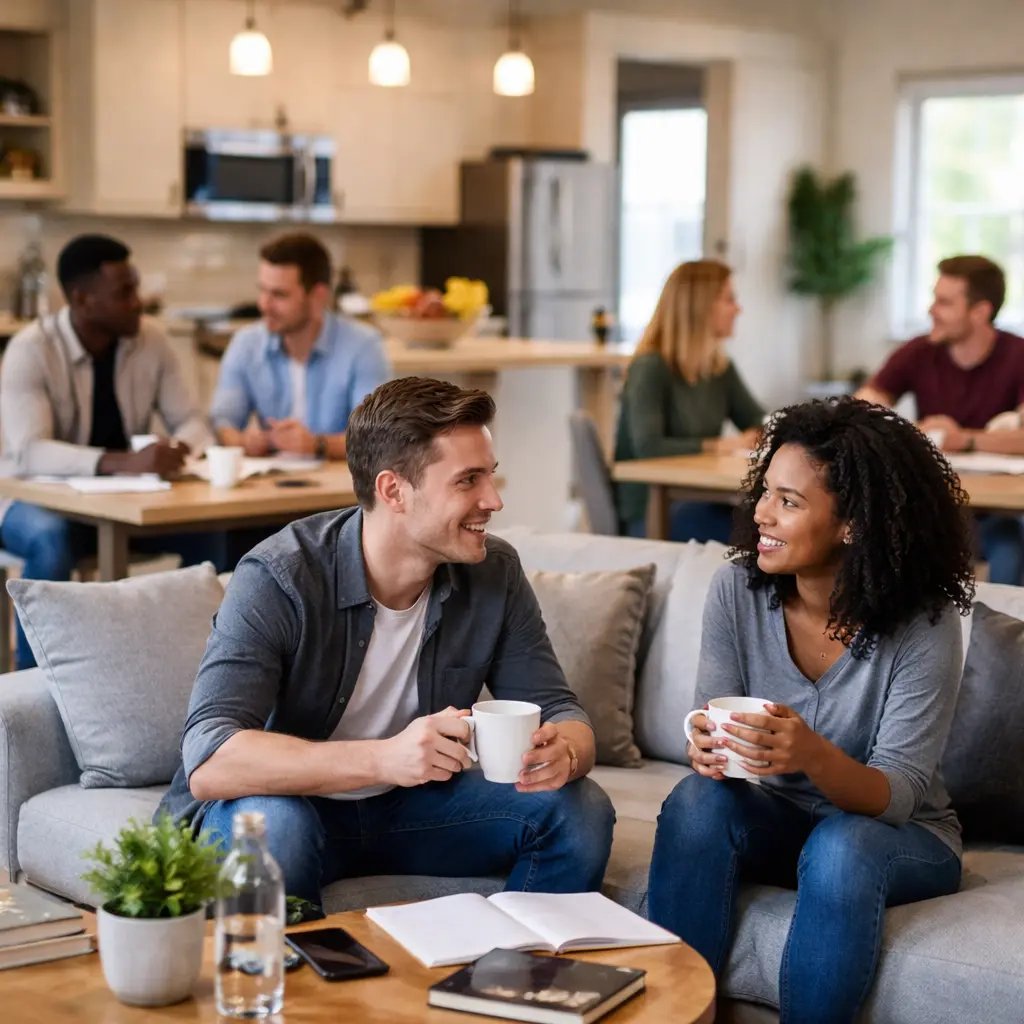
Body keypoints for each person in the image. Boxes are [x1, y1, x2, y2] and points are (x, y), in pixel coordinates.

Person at [158, 376, 615, 909]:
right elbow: (211, 759)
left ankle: (509, 979)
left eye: (489, 476)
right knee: (275, 828)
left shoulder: (494, 572)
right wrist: (385, 759)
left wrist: (567, 752)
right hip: (290, 806)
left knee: (578, 811)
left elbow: (562, 709)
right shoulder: (281, 576)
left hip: (413, 811)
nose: (493, 500)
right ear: (393, 490)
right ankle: (301, 990)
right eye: (467, 481)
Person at [647, 398, 974, 1024]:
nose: (762, 513)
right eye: (765, 491)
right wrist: (704, 744)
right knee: (694, 802)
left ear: (852, 524)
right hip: (782, 818)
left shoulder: (924, 625)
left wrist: (811, 754)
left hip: (901, 837)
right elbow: (710, 717)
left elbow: (898, 795)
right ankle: (678, 1016)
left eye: (789, 501)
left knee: (843, 845)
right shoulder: (735, 591)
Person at [0, 234, 223, 671]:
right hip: (28, 501)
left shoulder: (153, 342)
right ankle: (35, 691)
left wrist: (182, 448)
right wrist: (120, 462)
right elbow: (29, 453)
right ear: (82, 299)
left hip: (122, 504)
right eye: (125, 292)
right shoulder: (31, 350)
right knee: (52, 539)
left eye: (135, 287)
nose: (139, 301)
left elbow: (195, 423)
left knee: (212, 533)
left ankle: (203, 672)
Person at [855, 254, 1024, 583]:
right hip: (929, 505)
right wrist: (906, 430)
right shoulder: (919, 351)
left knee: (1009, 547)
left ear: (981, 312)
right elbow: (862, 408)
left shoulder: (1018, 356)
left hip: (997, 512)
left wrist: (963, 438)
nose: (931, 310)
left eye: (944, 302)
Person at [614, 260, 764, 542]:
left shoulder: (718, 368)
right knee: (759, 536)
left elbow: (756, 419)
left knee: (776, 528)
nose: (738, 309)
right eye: (729, 299)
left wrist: (756, 434)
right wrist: (720, 446)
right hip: (653, 510)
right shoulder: (650, 367)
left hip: (699, 500)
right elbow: (648, 446)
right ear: (700, 306)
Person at [210, 231, 391, 461]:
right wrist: (244, 441)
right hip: (271, 485)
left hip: (341, 491)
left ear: (317, 296)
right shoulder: (246, 344)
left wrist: (317, 445)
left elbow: (378, 437)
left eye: (279, 295)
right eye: (262, 290)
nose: (264, 304)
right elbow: (222, 421)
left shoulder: (363, 346)